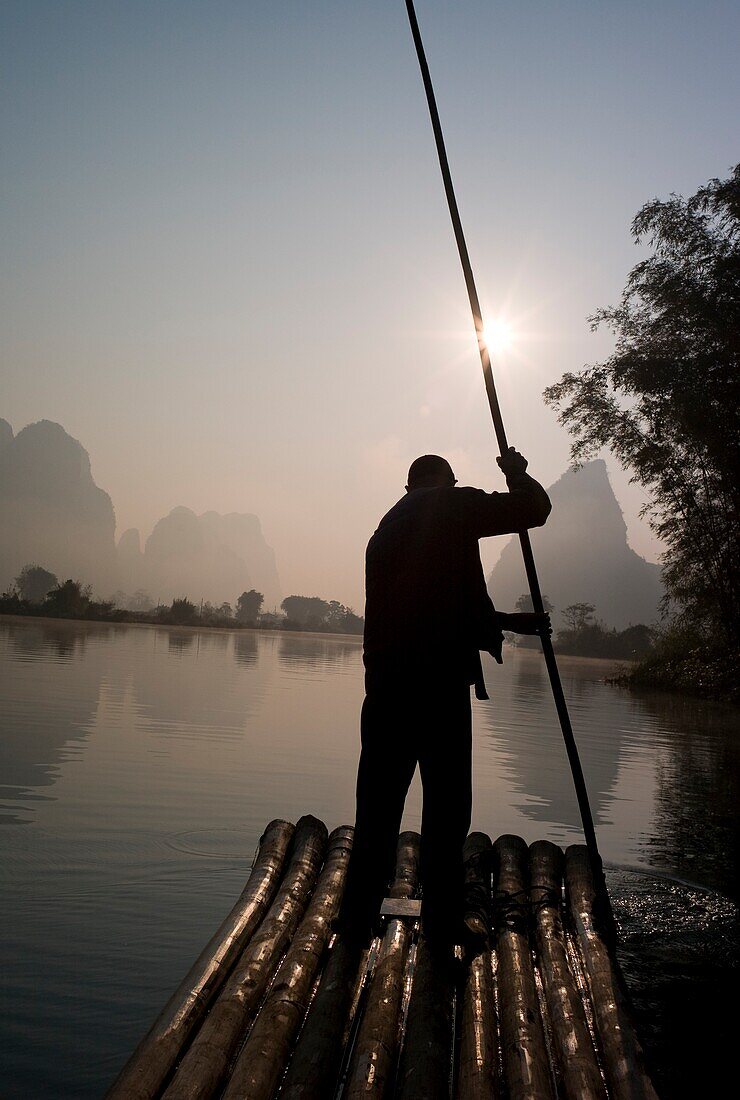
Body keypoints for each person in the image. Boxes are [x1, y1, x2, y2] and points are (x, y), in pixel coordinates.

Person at [337, 447, 552, 948]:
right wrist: (516, 472)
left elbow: (436, 601)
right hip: (437, 690)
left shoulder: (385, 529)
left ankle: (355, 922)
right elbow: (534, 509)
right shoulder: (452, 506)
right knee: (447, 811)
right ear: (447, 481)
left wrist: (508, 624)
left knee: (377, 810)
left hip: (387, 692)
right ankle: (441, 925)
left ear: (409, 485)